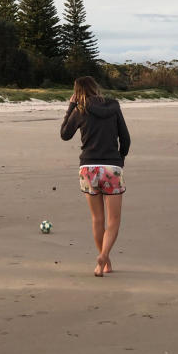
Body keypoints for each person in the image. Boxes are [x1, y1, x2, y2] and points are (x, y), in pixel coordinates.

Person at [60, 76, 130, 277]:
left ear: (77, 92)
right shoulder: (114, 106)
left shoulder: (79, 109)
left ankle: (104, 261)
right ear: (96, 87)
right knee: (114, 219)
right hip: (111, 167)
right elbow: (125, 138)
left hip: (88, 168)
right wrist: (120, 159)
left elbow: (65, 134)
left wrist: (71, 107)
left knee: (97, 218)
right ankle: (104, 256)